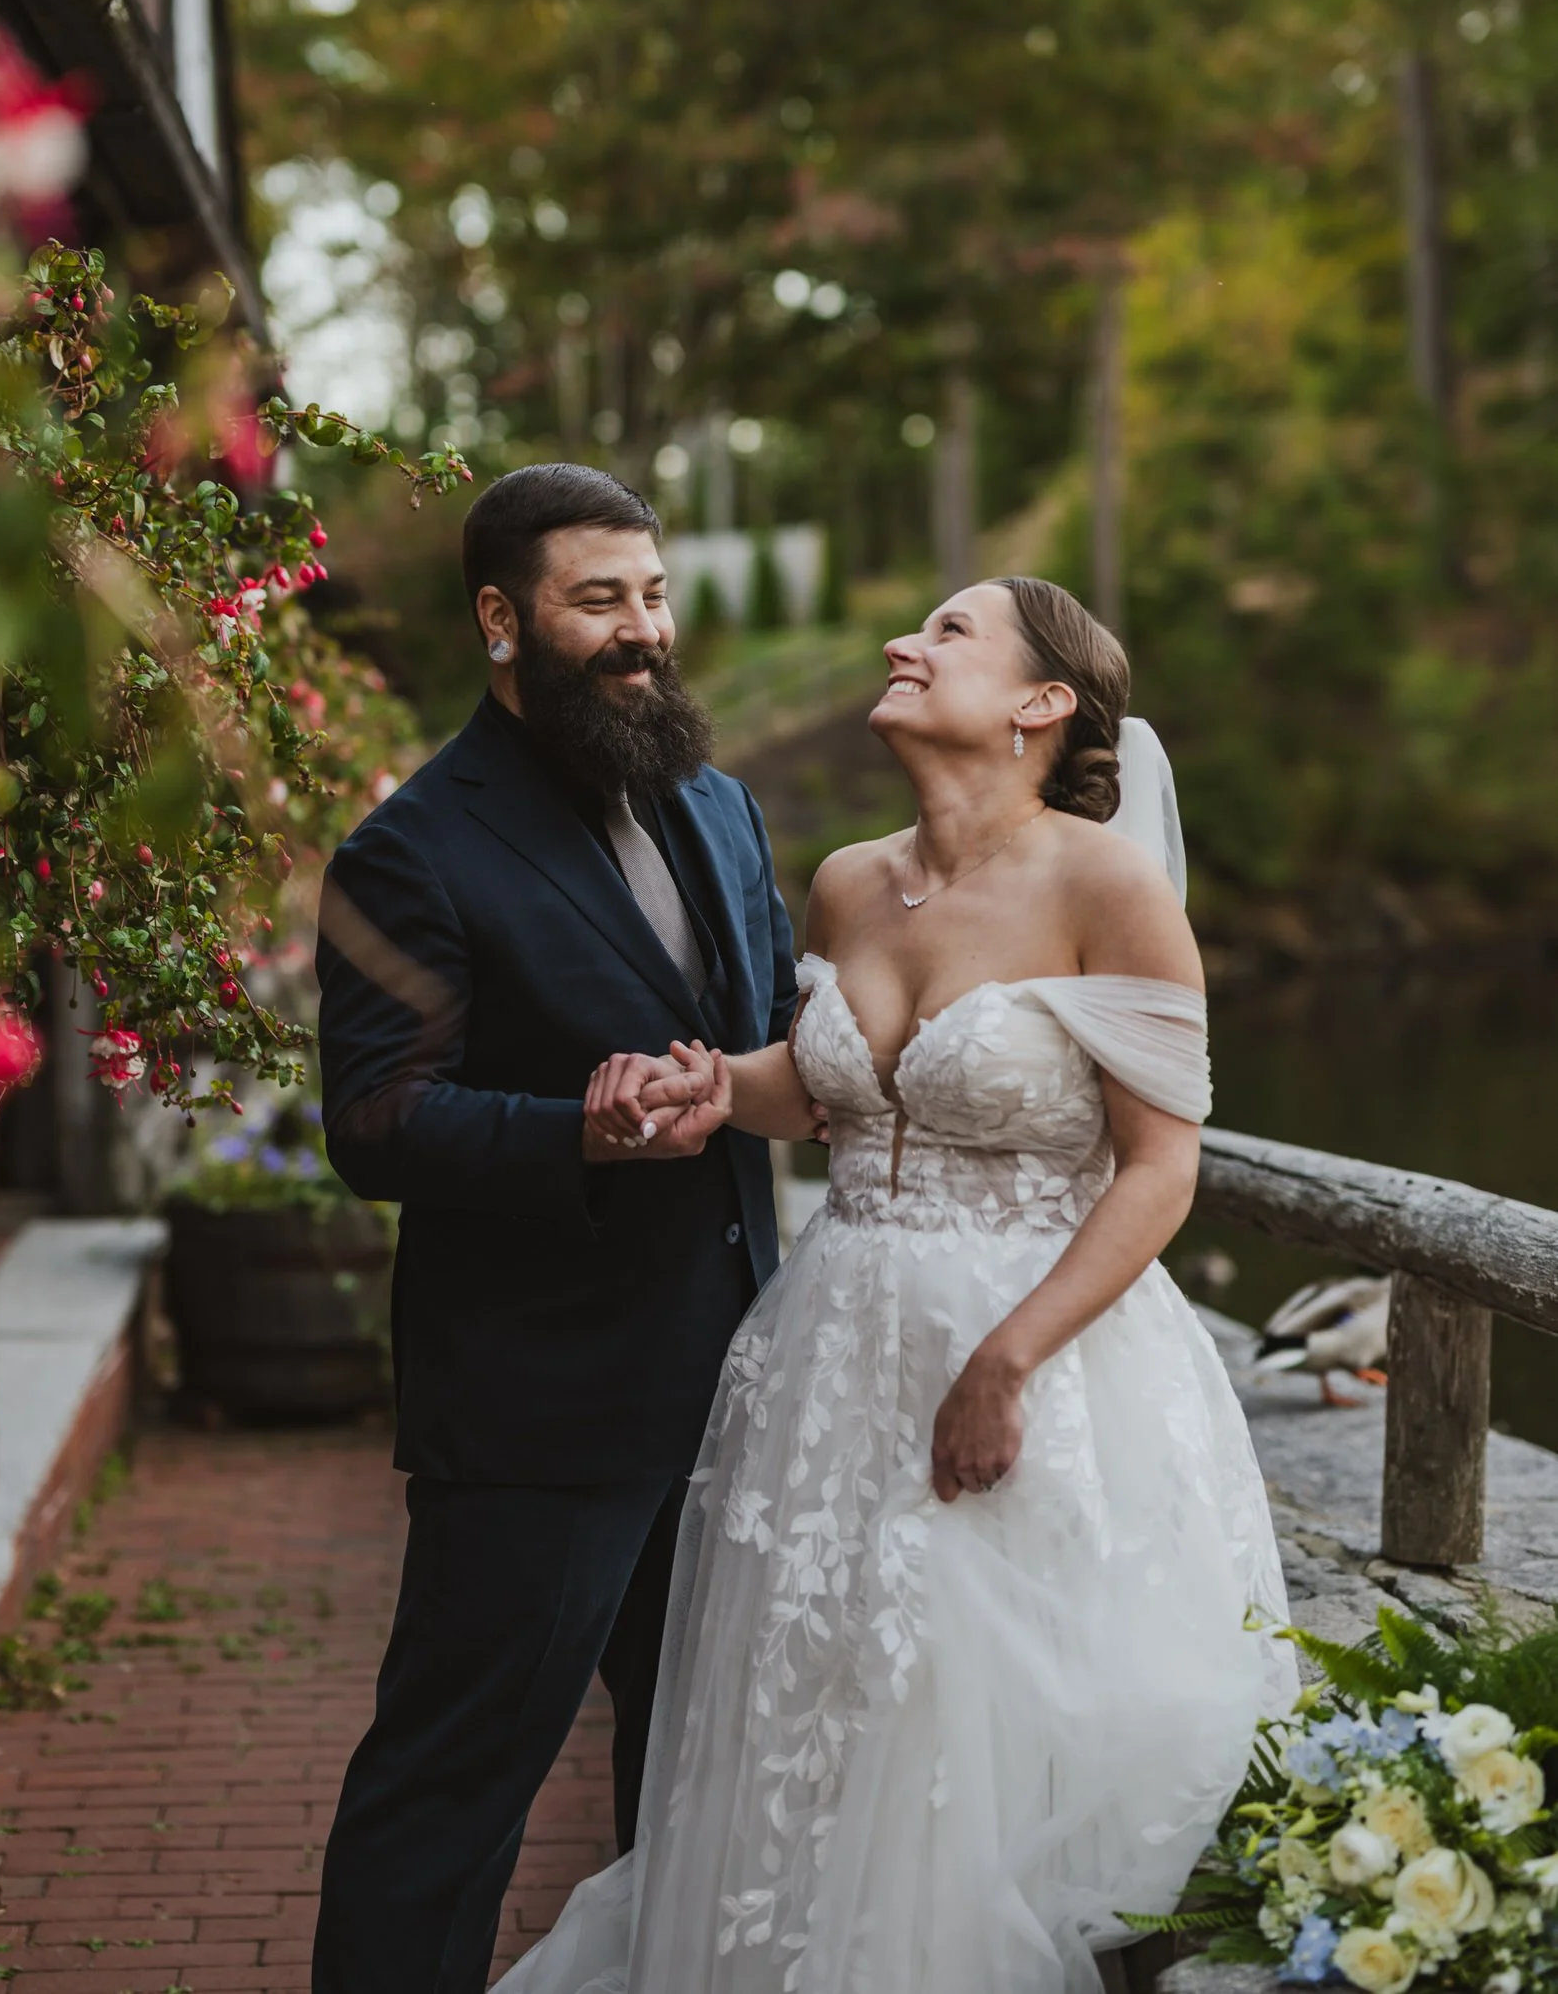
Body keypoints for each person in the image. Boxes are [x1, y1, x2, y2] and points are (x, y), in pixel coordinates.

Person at [501, 576, 1296, 1994]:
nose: (901, 647)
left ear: (1041, 705)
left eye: (947, 635)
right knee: (810, 1717)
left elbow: (1159, 1171)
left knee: (958, 1736)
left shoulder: (1104, 885)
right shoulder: (851, 880)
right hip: (827, 1359)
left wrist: (1007, 1361)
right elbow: (819, 1100)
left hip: (1036, 1362)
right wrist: (704, 1089)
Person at [310, 464, 797, 1994]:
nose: (642, 630)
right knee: (449, 1797)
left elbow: (768, 1033)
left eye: (651, 595)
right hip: (535, 1414)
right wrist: (577, 1132)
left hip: (737, 1390)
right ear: (499, 619)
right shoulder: (409, 851)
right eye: (600, 600)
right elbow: (375, 1122)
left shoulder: (719, 805)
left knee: (693, 1792)